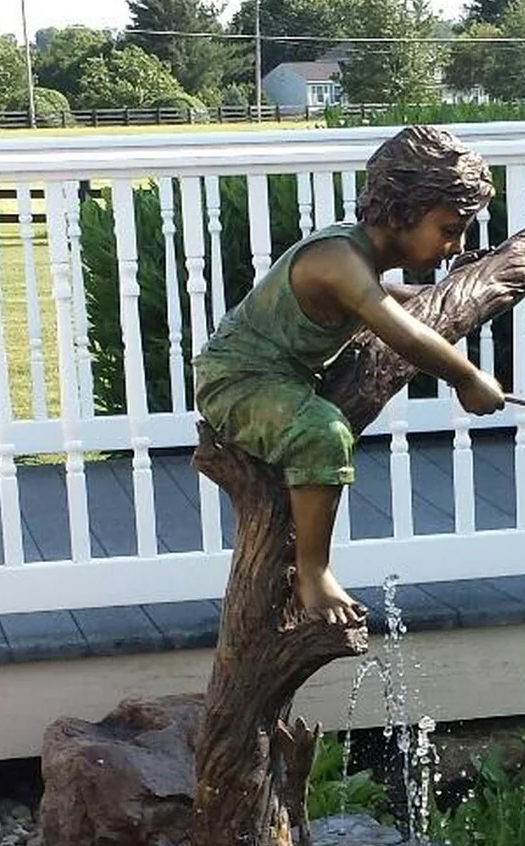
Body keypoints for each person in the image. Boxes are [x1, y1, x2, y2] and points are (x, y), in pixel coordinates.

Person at [193, 125, 505, 625]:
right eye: (450, 229)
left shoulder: (358, 260)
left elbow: (384, 302)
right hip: (237, 382)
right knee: (322, 433)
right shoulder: (336, 258)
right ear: (403, 213)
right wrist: (466, 376)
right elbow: (400, 332)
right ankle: (312, 573)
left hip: (281, 378)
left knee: (318, 423)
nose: (456, 242)